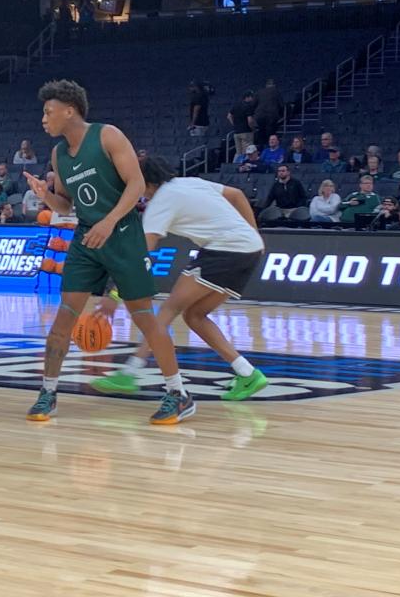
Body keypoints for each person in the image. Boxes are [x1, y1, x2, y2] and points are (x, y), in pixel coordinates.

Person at [21, 80, 183, 424]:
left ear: (69, 110)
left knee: (144, 318)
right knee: (64, 316)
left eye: (48, 112)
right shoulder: (58, 154)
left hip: (122, 235)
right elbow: (65, 206)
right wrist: (45, 195)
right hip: (86, 239)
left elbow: (137, 184)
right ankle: (47, 393)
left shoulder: (108, 135)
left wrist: (109, 221)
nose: (43, 119)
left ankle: (178, 393)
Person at [93, 156, 268, 407]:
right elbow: (238, 194)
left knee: (168, 309)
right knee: (195, 315)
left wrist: (114, 295)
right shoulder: (190, 182)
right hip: (248, 249)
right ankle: (248, 373)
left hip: (224, 251)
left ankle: (129, 373)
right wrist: (254, 234)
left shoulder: (159, 204)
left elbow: (143, 255)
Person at [227, 91, 256, 161]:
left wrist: (234, 125)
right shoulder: (248, 106)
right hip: (246, 132)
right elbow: (250, 120)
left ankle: (235, 167)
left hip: (237, 132)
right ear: (248, 97)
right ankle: (244, 167)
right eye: (251, 97)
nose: (252, 99)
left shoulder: (236, 105)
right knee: (247, 152)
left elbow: (229, 116)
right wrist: (253, 128)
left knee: (238, 153)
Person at [253, 78, 284, 144]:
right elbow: (281, 104)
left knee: (261, 131)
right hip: (272, 115)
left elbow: (253, 104)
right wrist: (282, 115)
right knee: (271, 132)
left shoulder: (259, 92)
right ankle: (270, 146)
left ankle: (262, 147)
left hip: (259, 116)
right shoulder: (276, 91)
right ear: (274, 85)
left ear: (266, 85)